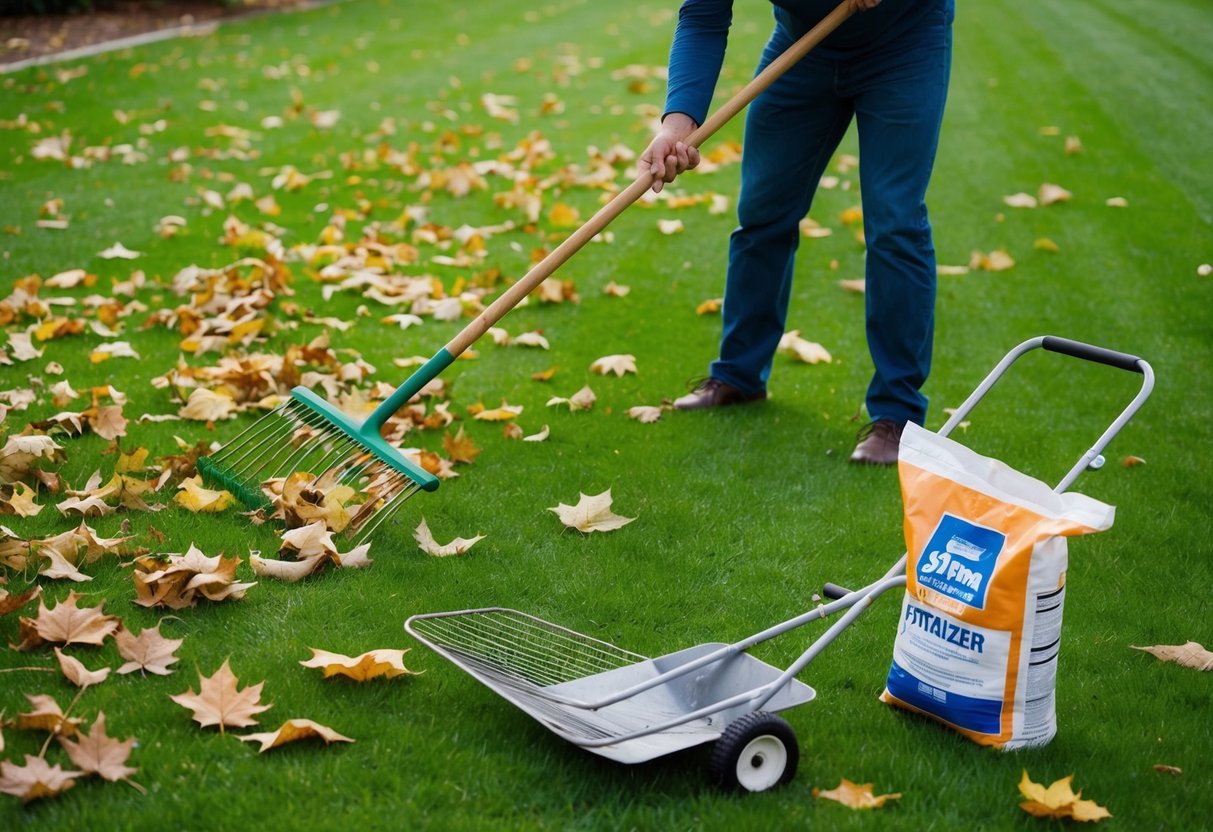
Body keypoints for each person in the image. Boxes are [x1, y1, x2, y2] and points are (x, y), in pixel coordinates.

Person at [640, 0, 955, 465]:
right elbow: (704, 16)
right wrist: (677, 124)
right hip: (803, 47)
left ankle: (897, 416)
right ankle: (739, 376)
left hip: (905, 46)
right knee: (763, 212)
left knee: (895, 222)